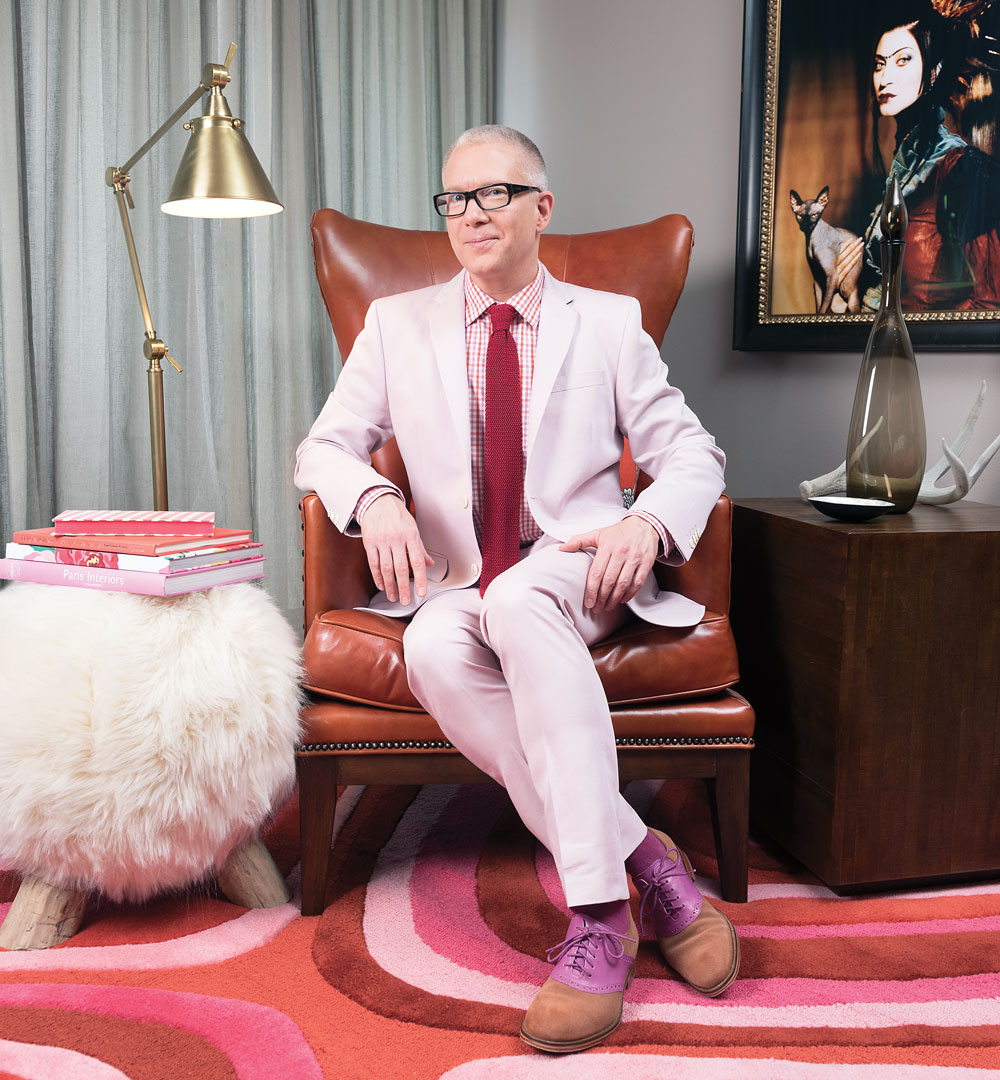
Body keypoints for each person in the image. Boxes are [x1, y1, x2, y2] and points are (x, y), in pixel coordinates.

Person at [294, 125, 738, 1054]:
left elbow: (690, 453)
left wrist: (646, 525)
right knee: (428, 645)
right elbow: (323, 446)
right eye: (454, 198)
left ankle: (598, 918)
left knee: (525, 599)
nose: (471, 215)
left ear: (542, 206)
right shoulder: (397, 324)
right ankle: (649, 863)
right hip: (460, 576)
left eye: (493, 193)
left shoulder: (608, 321)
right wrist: (374, 499)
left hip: (577, 564)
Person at [839, 5, 1000, 309]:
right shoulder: (904, 166)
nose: (884, 77)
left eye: (902, 60)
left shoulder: (958, 168)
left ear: (935, 71)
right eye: (878, 64)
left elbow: (989, 304)